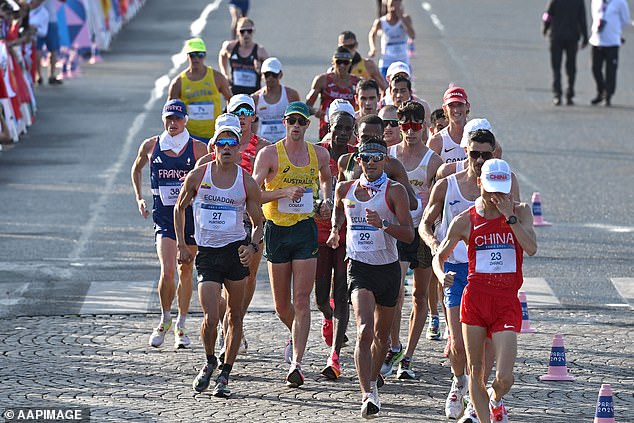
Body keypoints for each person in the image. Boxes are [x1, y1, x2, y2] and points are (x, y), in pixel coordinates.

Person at [433, 159, 537, 423]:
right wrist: (440, 274)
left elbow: (532, 247)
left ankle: (496, 398)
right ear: (479, 183)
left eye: (502, 190)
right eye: (491, 189)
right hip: (475, 301)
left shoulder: (521, 211)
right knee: (476, 370)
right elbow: (439, 255)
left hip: (505, 302)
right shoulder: (464, 220)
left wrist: (509, 218)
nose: (496, 196)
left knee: (504, 377)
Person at [174, 121, 263, 398]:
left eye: (231, 144)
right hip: (208, 254)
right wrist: (181, 245)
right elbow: (179, 207)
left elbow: (260, 223)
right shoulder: (199, 176)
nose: (226, 148)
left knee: (234, 316)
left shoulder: (245, 180)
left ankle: (225, 372)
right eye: (221, 144)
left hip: (235, 252)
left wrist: (252, 246)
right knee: (211, 316)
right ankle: (210, 360)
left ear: (238, 148)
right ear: (214, 147)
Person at [327, 137, 414, 418]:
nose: (372, 163)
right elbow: (339, 210)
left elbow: (409, 234)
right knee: (364, 330)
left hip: (387, 270)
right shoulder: (345, 188)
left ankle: (373, 379)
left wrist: (384, 225)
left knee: (382, 338)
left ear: (386, 160)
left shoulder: (395, 191)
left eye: (378, 157)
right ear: (359, 161)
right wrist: (334, 229)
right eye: (366, 157)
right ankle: (367, 394)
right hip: (359, 268)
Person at [251, 101, 333, 387]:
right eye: (291, 121)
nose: (296, 126)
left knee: (301, 300)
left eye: (301, 122)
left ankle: (296, 363)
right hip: (276, 230)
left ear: (308, 125)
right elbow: (253, 194)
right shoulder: (269, 154)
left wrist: (327, 202)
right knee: (282, 306)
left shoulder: (319, 154)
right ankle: (297, 331)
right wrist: (283, 192)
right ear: (284, 123)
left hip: (304, 230)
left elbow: (326, 180)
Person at [130, 99, 208, 349]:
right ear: (163, 119)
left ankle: (182, 324)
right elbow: (136, 169)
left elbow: (212, 177)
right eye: (168, 118)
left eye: (177, 118)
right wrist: (140, 197)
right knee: (168, 270)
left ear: (185, 120)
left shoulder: (197, 149)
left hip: (190, 220)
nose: (172, 123)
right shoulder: (152, 145)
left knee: (186, 270)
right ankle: (165, 318)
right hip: (164, 218)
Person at [384, 101, 442, 380]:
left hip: (422, 233)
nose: (410, 131)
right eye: (404, 125)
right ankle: (393, 345)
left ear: (425, 127)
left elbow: (441, 199)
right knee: (395, 292)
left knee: (420, 295)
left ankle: (407, 356)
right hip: (397, 231)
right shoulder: (391, 155)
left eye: (415, 126)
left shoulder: (433, 161)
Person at [315, 105, 357, 380]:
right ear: (328, 126)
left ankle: (335, 355)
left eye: (346, 128)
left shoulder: (358, 157)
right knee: (320, 297)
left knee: (342, 293)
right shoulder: (316, 152)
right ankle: (329, 318)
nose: (341, 133)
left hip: (346, 234)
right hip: (318, 233)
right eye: (337, 127)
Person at [338, 114, 417, 211]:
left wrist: (387, 191)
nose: (370, 142)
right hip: (354, 224)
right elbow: (339, 201)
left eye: (375, 138)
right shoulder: (345, 161)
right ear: (358, 137)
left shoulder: (392, 164)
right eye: (365, 138)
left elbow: (413, 204)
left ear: (383, 137)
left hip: (382, 224)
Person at [168, 38, 232, 144]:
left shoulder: (217, 77)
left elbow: (230, 100)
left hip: (214, 135)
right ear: (187, 56)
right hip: (189, 136)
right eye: (192, 55)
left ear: (205, 55)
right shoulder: (178, 82)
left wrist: (227, 121)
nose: (196, 58)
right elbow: (169, 111)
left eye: (200, 54)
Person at [542, 0, 588, 106]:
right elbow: (582, 19)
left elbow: (547, 14)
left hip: (556, 36)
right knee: (571, 66)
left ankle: (557, 94)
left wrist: (545, 28)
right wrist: (585, 37)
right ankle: (570, 92)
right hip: (572, 37)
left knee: (556, 67)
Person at [306, 47, 359, 139]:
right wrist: (315, 111)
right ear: (333, 62)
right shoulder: (322, 80)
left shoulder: (357, 82)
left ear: (350, 63)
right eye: (339, 62)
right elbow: (307, 106)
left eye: (345, 62)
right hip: (327, 129)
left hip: (350, 130)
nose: (342, 65)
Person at [588, 0, 631, 106]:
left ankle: (608, 95)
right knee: (595, 68)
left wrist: (615, 30)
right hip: (597, 40)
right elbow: (594, 15)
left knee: (610, 70)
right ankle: (601, 90)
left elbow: (625, 20)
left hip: (612, 41)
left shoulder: (620, 2)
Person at [252, 57, 301, 143]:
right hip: (262, 144)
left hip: (286, 143)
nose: (270, 78)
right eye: (267, 74)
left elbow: (299, 120)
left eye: (274, 74)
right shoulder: (255, 98)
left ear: (280, 75)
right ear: (262, 75)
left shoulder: (291, 95)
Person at [218, 17, 268, 96]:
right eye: (242, 31)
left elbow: (270, 76)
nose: (246, 34)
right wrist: (224, 74)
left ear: (253, 31)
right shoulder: (230, 47)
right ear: (237, 32)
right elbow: (222, 55)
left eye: (249, 31)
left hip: (253, 96)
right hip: (235, 95)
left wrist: (260, 70)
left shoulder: (260, 51)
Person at [368, 0, 414, 79]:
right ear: (387, 6)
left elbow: (412, 35)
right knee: (384, 85)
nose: (393, 9)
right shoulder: (381, 21)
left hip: (402, 60)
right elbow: (372, 34)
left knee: (403, 85)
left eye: (396, 6)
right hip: (387, 60)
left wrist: (401, 17)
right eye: (391, 6)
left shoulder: (405, 19)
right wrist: (373, 48)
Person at [428, 86, 469, 163]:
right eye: (451, 105)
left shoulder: (477, 135)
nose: (456, 110)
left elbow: (497, 151)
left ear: (467, 106)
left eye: (460, 105)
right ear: (444, 108)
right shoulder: (436, 141)